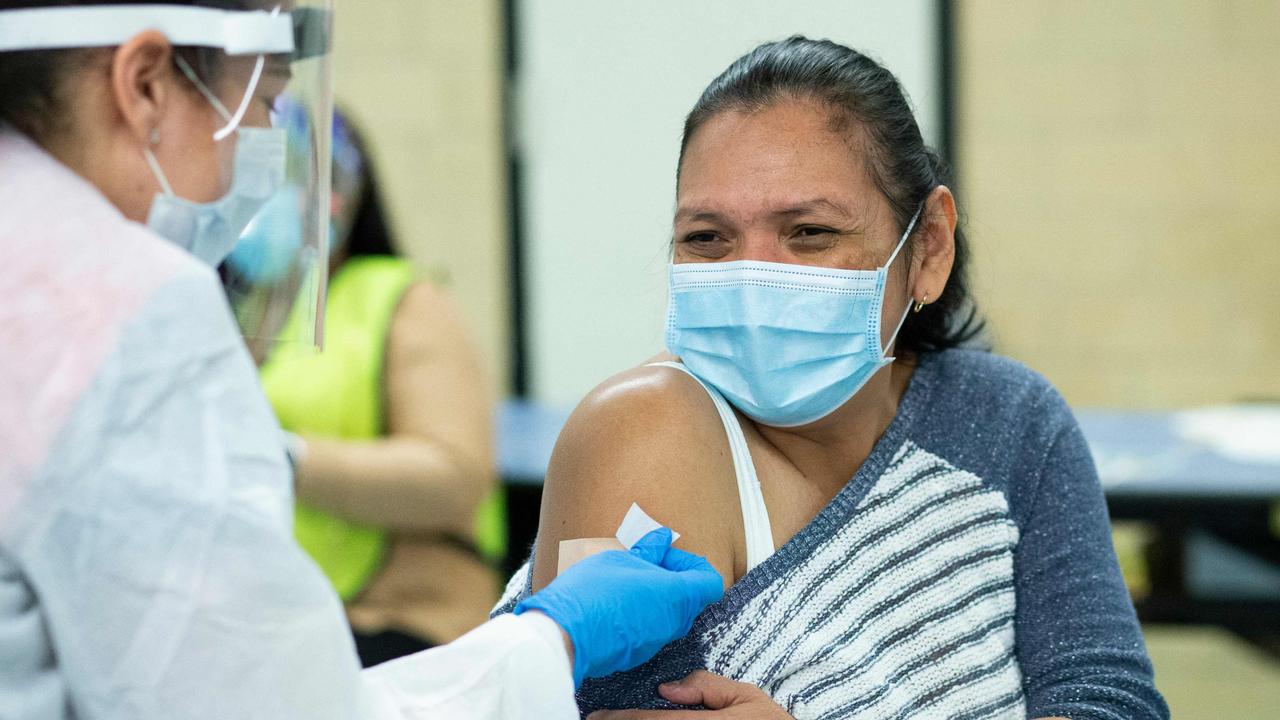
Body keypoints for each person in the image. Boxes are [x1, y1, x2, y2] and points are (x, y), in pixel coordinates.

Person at [0, 2, 722, 719]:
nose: (264, 150)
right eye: (268, 101)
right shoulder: (125, 308)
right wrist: (551, 638)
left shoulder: (395, 301)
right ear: (147, 84)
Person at [494, 37, 1170, 719]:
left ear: (929, 244)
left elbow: (1109, 702)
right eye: (707, 238)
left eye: (810, 232)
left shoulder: (1006, 422)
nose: (755, 278)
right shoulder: (638, 434)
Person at [236, 107, 503, 665]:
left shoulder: (404, 299)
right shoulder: (245, 312)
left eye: (276, 180)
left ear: (337, 198)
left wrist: (282, 459)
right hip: (286, 624)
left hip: (404, 623)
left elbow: (454, 477)